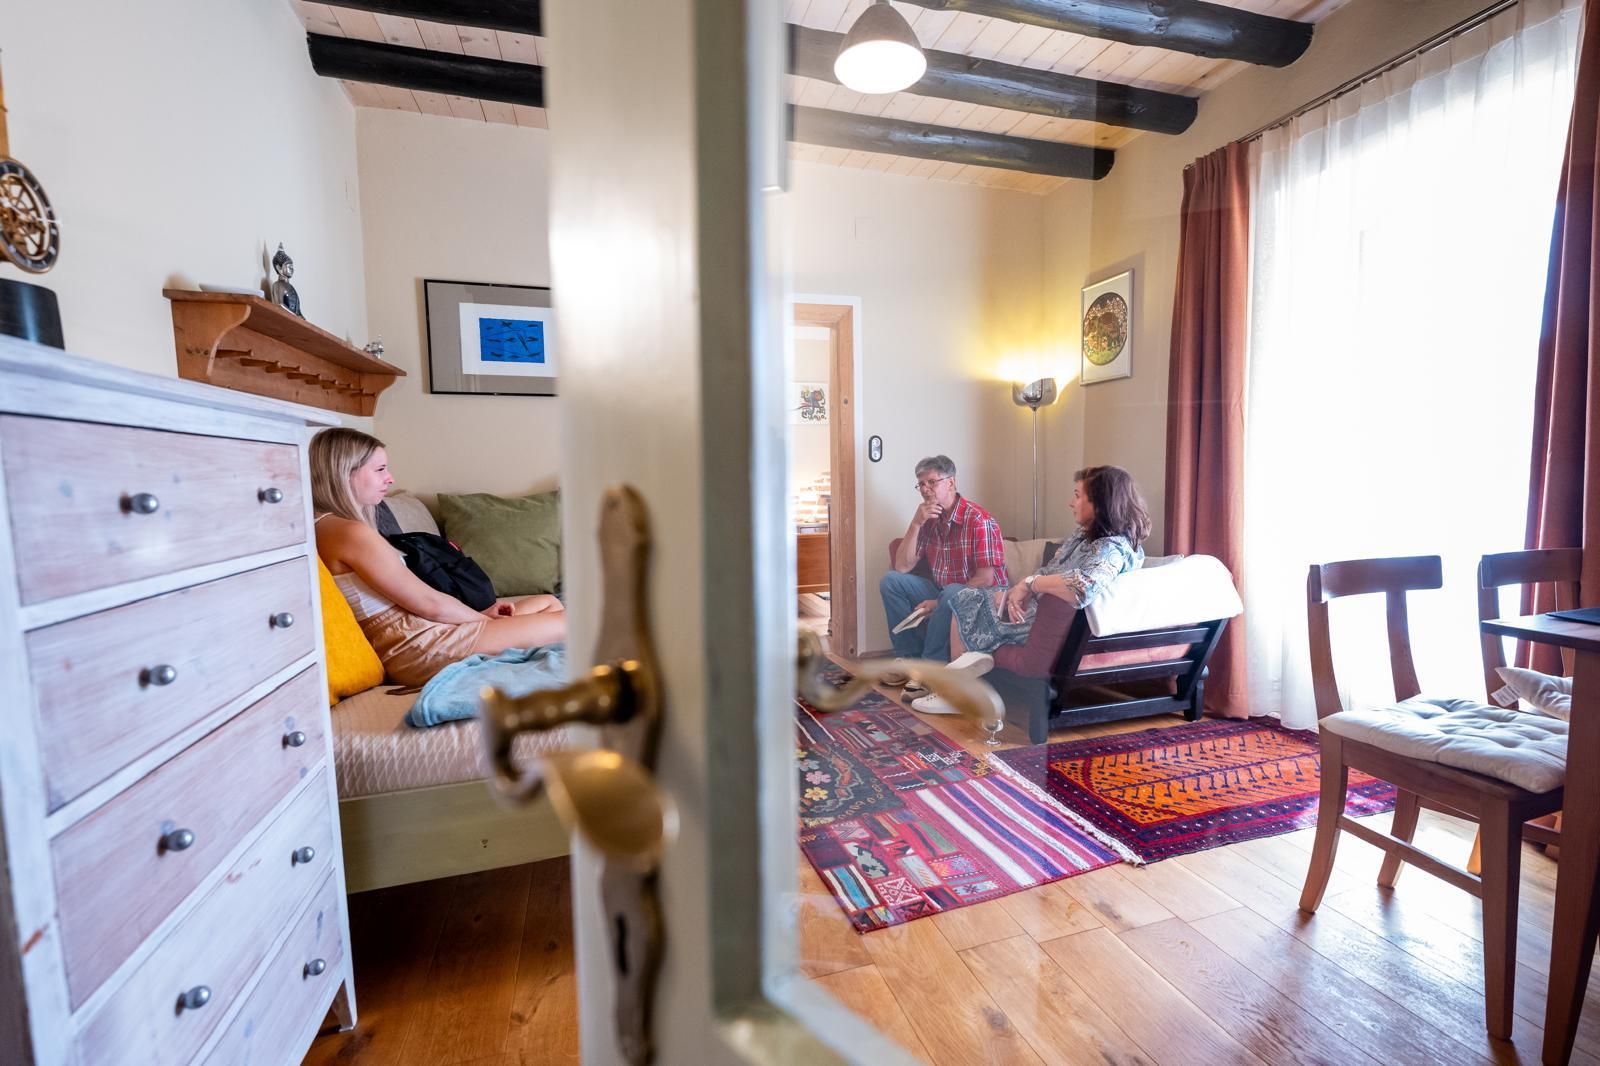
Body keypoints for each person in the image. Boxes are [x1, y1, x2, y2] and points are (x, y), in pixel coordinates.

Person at [309, 428, 566, 687]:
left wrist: (480, 616)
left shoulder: (329, 527)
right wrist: (487, 621)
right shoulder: (351, 533)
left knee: (548, 603)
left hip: (422, 631)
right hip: (420, 645)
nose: (390, 478)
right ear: (345, 473)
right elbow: (429, 604)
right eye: (380, 469)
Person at [913, 465, 1149, 715]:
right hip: (1038, 608)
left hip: (1053, 622)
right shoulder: (1084, 535)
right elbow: (1050, 570)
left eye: (1078, 496)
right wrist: (1017, 589)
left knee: (964, 601)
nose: (1071, 503)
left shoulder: (1112, 548)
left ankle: (956, 692)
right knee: (966, 597)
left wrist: (1029, 585)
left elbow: (1082, 587)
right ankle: (962, 680)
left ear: (1100, 503)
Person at [880, 455, 1007, 664]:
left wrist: (938, 602)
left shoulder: (979, 520)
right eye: (921, 484)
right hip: (944, 591)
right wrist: (916, 523)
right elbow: (902, 566)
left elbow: (986, 579)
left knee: (951, 591)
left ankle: (932, 664)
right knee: (891, 581)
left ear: (951, 483)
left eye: (932, 482)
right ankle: (908, 658)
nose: (925, 489)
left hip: (982, 595)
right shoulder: (929, 520)